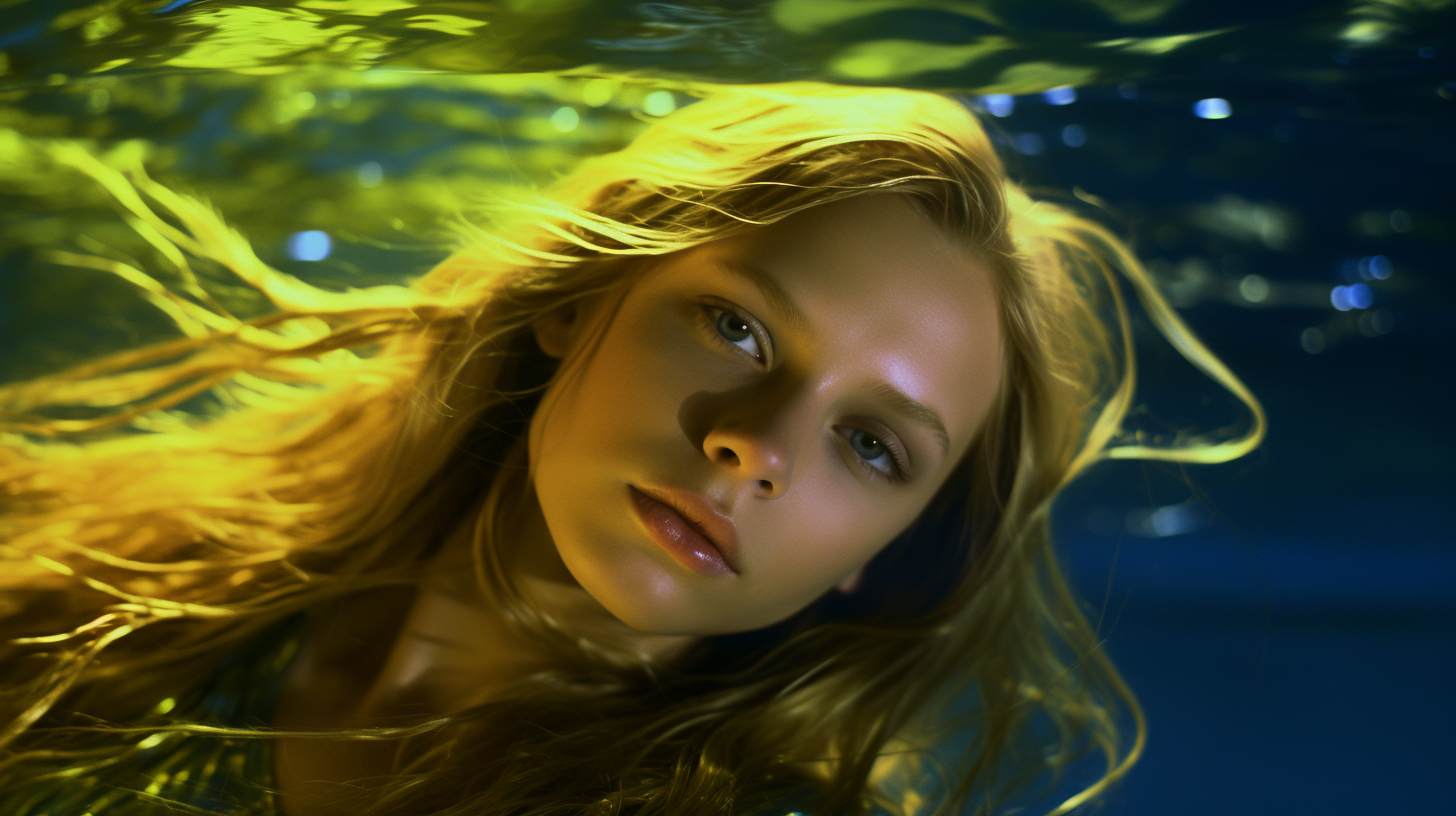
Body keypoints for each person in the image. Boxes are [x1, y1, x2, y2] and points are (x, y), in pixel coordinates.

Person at [0, 81, 1263, 816]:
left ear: (875, 559)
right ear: (575, 299)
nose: (753, 450)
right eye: (738, 327)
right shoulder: (136, 571)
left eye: (872, 449)